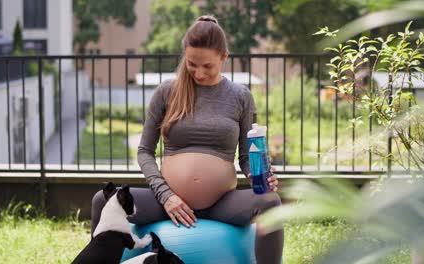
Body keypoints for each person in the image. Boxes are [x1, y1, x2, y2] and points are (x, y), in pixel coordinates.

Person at [91, 15, 283, 264]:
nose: (199, 73)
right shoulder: (167, 91)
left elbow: (247, 157)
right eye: (192, 64)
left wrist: (261, 176)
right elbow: (144, 151)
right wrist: (166, 195)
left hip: (220, 204)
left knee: (270, 201)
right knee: (102, 200)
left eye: (208, 66)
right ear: (185, 55)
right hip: (166, 201)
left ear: (224, 58)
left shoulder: (240, 96)